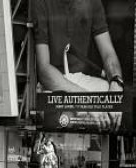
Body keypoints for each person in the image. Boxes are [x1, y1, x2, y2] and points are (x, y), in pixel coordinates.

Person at [33, 0, 123, 132]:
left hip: (82, 82)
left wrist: (116, 86)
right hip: (54, 83)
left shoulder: (93, 3)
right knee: (54, 111)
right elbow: (44, 70)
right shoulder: (41, 3)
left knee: (112, 101)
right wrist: (87, 101)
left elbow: (108, 53)